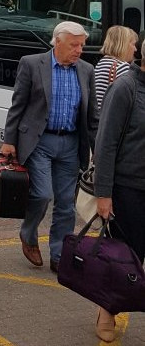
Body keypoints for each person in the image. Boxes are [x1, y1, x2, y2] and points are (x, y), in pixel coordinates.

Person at [1, 20, 98, 273]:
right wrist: (9, 141)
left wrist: (99, 148)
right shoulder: (32, 64)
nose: (79, 50)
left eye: (81, 45)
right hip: (40, 140)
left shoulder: (86, 70)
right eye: (74, 45)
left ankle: (59, 255)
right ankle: (29, 233)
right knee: (42, 194)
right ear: (57, 43)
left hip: (71, 142)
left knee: (66, 203)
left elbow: (93, 116)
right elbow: (18, 105)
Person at [92, 40, 145, 342]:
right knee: (127, 259)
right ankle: (107, 310)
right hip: (129, 190)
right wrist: (104, 194)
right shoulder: (125, 88)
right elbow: (106, 143)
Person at [93, 25, 138, 110]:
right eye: (133, 44)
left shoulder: (101, 63)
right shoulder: (123, 67)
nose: (135, 49)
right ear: (123, 45)